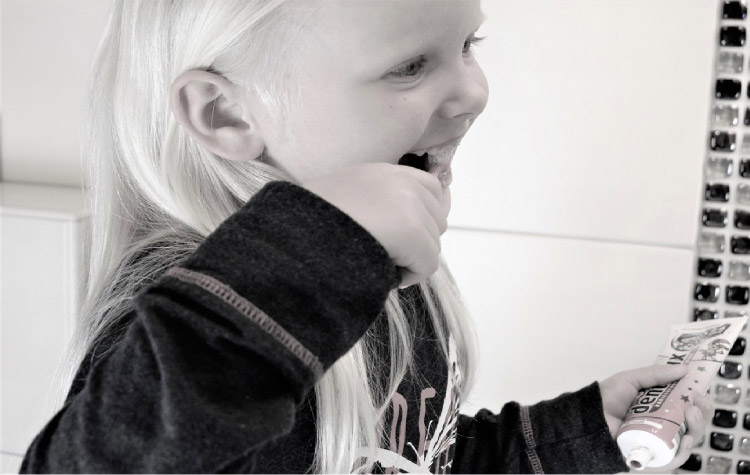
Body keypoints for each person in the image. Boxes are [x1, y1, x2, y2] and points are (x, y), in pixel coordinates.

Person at [20, 0, 711, 473]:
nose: (473, 91)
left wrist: (582, 434)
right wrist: (315, 251)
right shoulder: (208, 311)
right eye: (410, 65)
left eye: (467, 45)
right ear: (227, 111)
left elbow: (409, 456)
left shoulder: (361, 268)